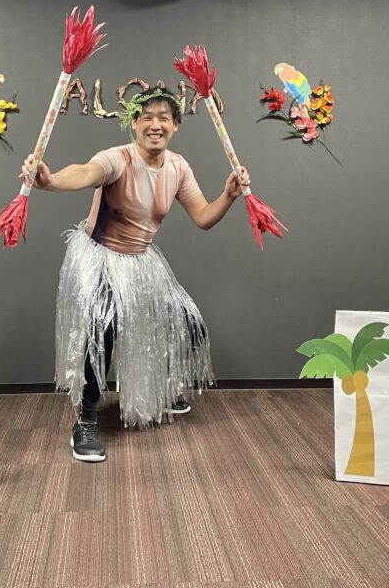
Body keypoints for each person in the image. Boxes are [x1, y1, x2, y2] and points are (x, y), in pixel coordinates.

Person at [20, 86, 251, 462]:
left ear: (175, 125)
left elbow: (203, 217)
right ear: (134, 124)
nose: (155, 125)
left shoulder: (178, 167)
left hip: (140, 262)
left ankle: (164, 390)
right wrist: (51, 181)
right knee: (104, 329)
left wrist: (228, 195)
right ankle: (86, 421)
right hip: (100, 257)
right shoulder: (118, 158)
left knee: (189, 325)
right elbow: (86, 172)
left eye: (164, 118)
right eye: (147, 117)